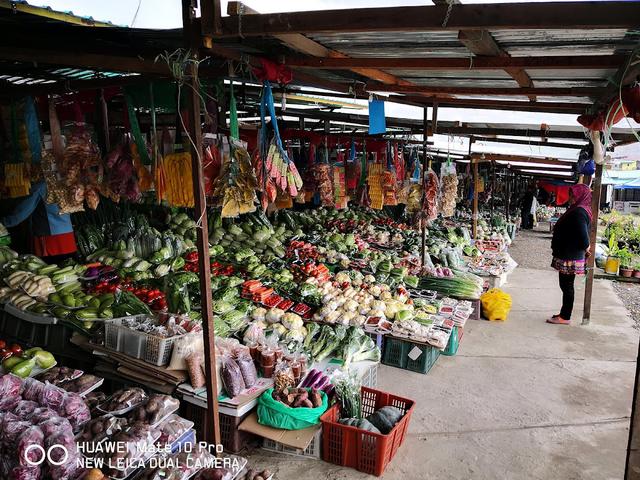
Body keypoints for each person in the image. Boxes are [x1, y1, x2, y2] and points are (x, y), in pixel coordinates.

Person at [547, 184, 592, 325]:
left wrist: (587, 248)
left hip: (570, 256)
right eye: (571, 194)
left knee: (567, 286)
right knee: (566, 286)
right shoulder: (578, 210)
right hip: (569, 254)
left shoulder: (579, 212)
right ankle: (564, 313)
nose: (571, 197)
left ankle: (565, 316)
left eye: (573, 195)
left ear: (580, 196)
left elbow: (583, 237)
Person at [1, 180, 77, 263]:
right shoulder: (63, 184)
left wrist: (3, 223)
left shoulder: (41, 187)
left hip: (50, 241)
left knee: (48, 272)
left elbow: (21, 213)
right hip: (68, 240)